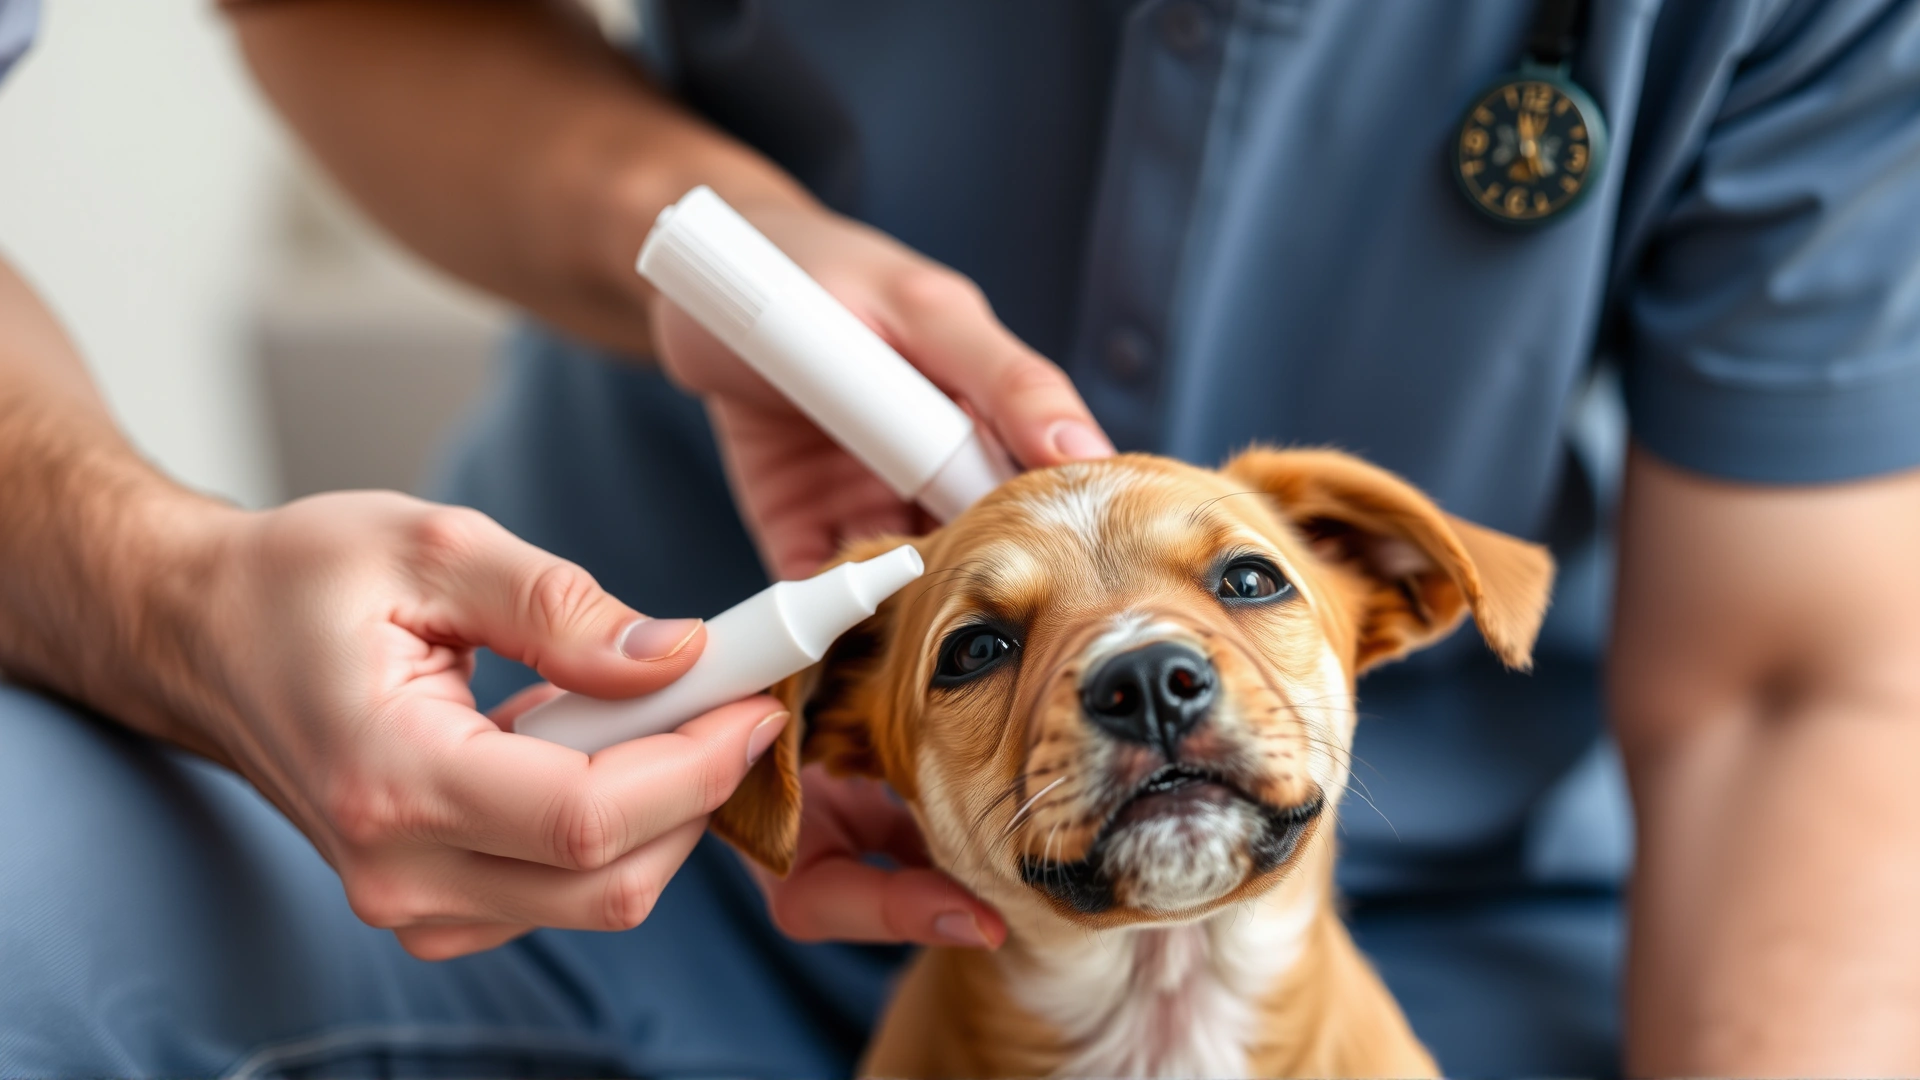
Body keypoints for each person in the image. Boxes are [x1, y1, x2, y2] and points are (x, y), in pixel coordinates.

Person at [5, 0, 1920, 1076]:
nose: (1150, 665)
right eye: (991, 649)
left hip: (1481, 930)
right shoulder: (792, 744)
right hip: (621, 853)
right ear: (850, 741)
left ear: (1397, 593)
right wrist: (726, 250)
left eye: (1240, 586)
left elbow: (1805, 694)